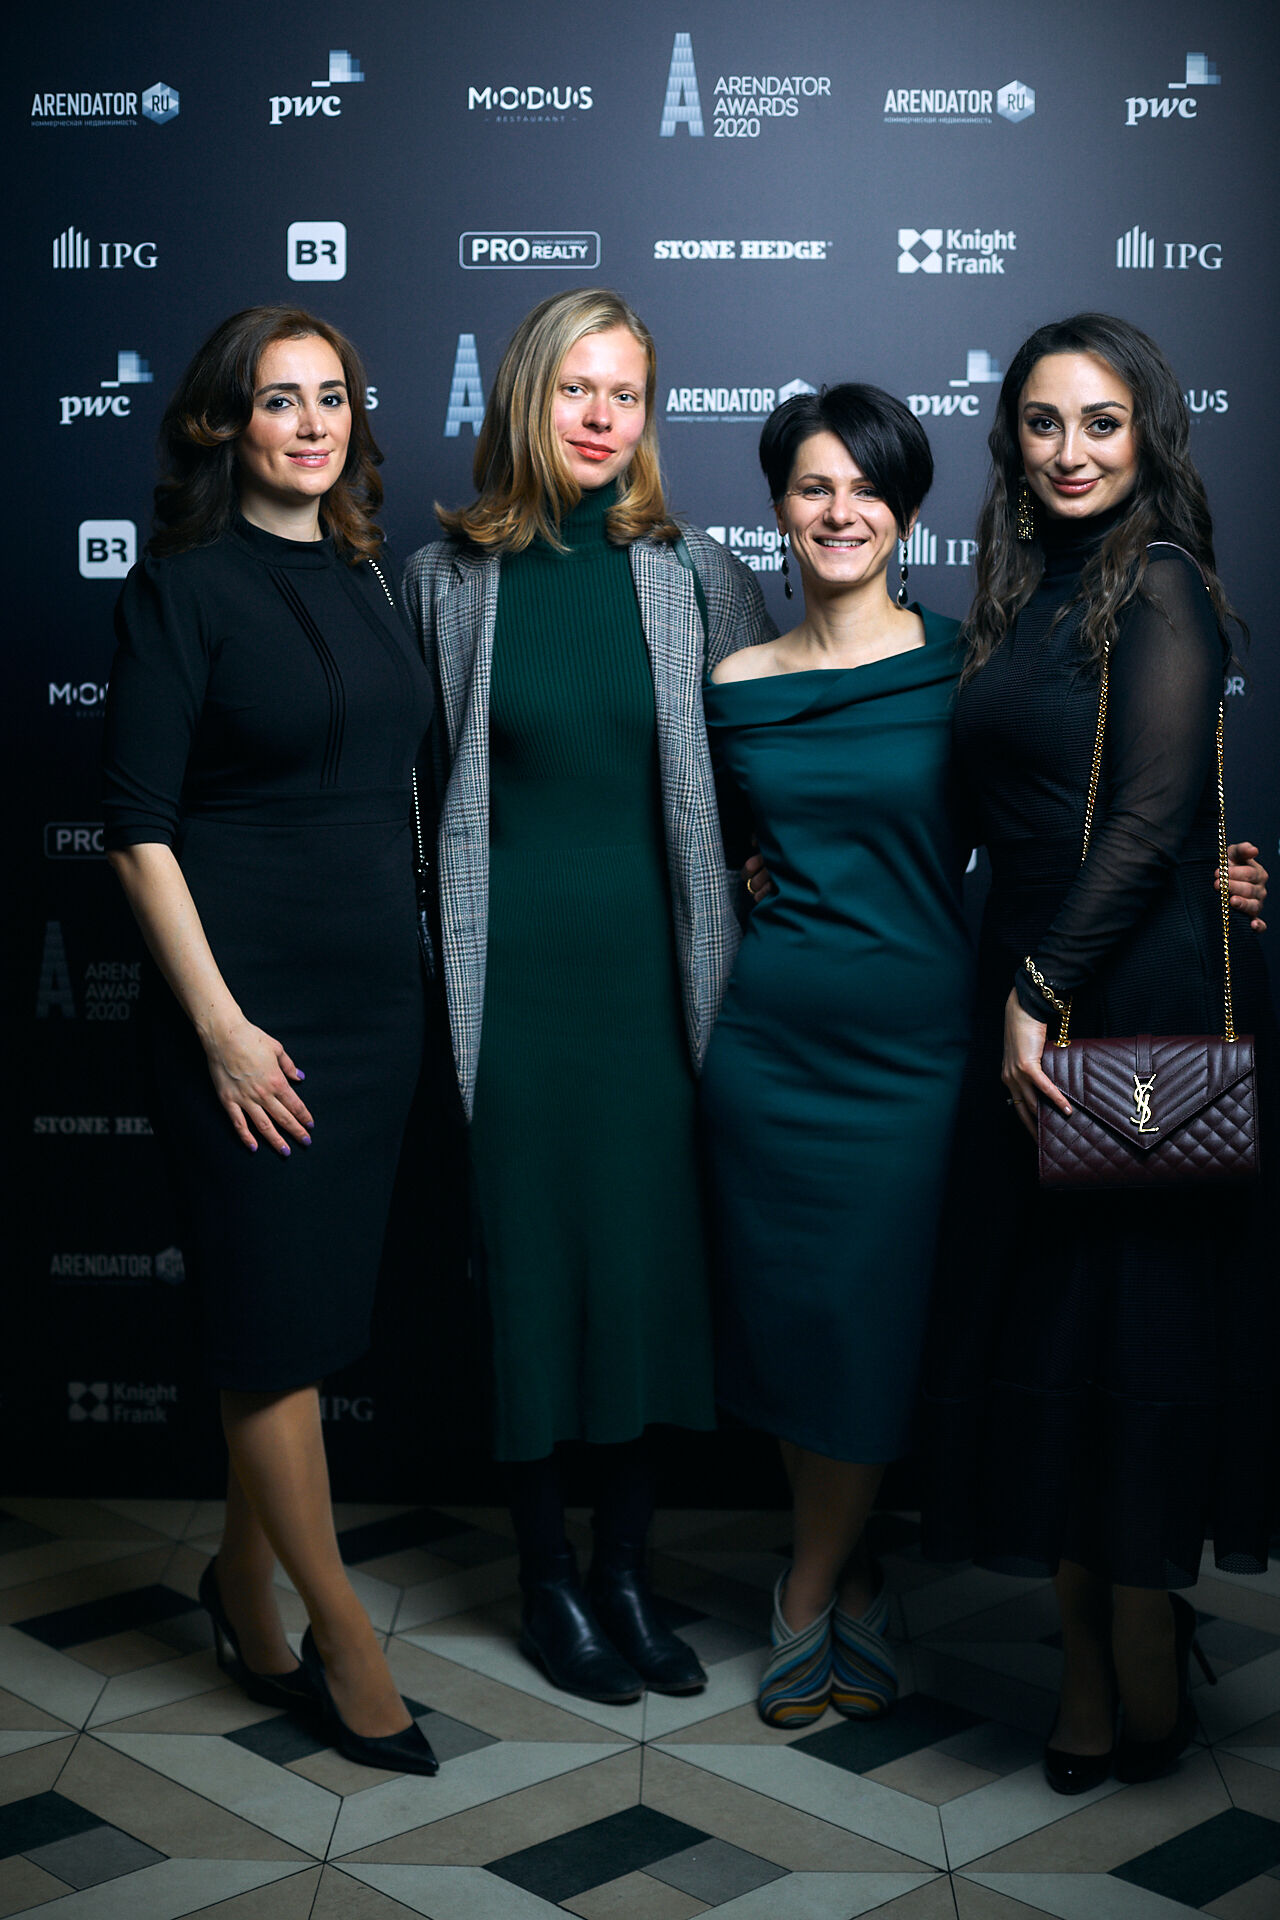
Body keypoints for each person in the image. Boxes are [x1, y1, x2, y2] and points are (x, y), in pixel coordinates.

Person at [403, 287, 774, 1705]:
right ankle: (547, 1581)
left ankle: (627, 1572)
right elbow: (409, 791)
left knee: (640, 1280)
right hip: (510, 991)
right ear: (526, 397)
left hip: (654, 993)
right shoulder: (445, 582)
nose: (603, 417)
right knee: (534, 1282)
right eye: (576, 389)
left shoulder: (695, 575)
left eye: (626, 393)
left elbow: (770, 766)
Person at [921, 312, 1276, 1792]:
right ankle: (1087, 1657)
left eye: (1103, 423)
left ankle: (1142, 1632)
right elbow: (989, 803)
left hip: (1123, 999)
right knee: (1051, 1342)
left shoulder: (1165, 579)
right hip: (1032, 979)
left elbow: (1144, 820)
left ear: (1149, 438)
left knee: (1140, 1344)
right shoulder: (1017, 592)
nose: (1072, 452)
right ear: (1009, 440)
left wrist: (1037, 987)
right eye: (1044, 423)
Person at [102, 305, 438, 1774]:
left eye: (332, 397)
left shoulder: (366, 576)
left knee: (291, 1321)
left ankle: (241, 1581)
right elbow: (137, 833)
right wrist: (225, 1030)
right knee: (270, 1330)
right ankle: (341, 1636)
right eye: (279, 399)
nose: (312, 424)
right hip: (244, 1018)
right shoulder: (180, 588)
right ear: (223, 423)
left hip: (373, 1012)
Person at [701, 385, 973, 1727]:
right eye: (814, 487)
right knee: (800, 1329)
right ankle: (847, 1570)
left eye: (868, 489)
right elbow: (705, 856)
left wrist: (1204, 880)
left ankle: (802, 1591)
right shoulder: (733, 686)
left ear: (907, 514)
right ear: (778, 508)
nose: (840, 511)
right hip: (770, 1051)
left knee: (869, 1326)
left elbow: (1065, 823)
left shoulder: (966, 667)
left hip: (915, 1055)